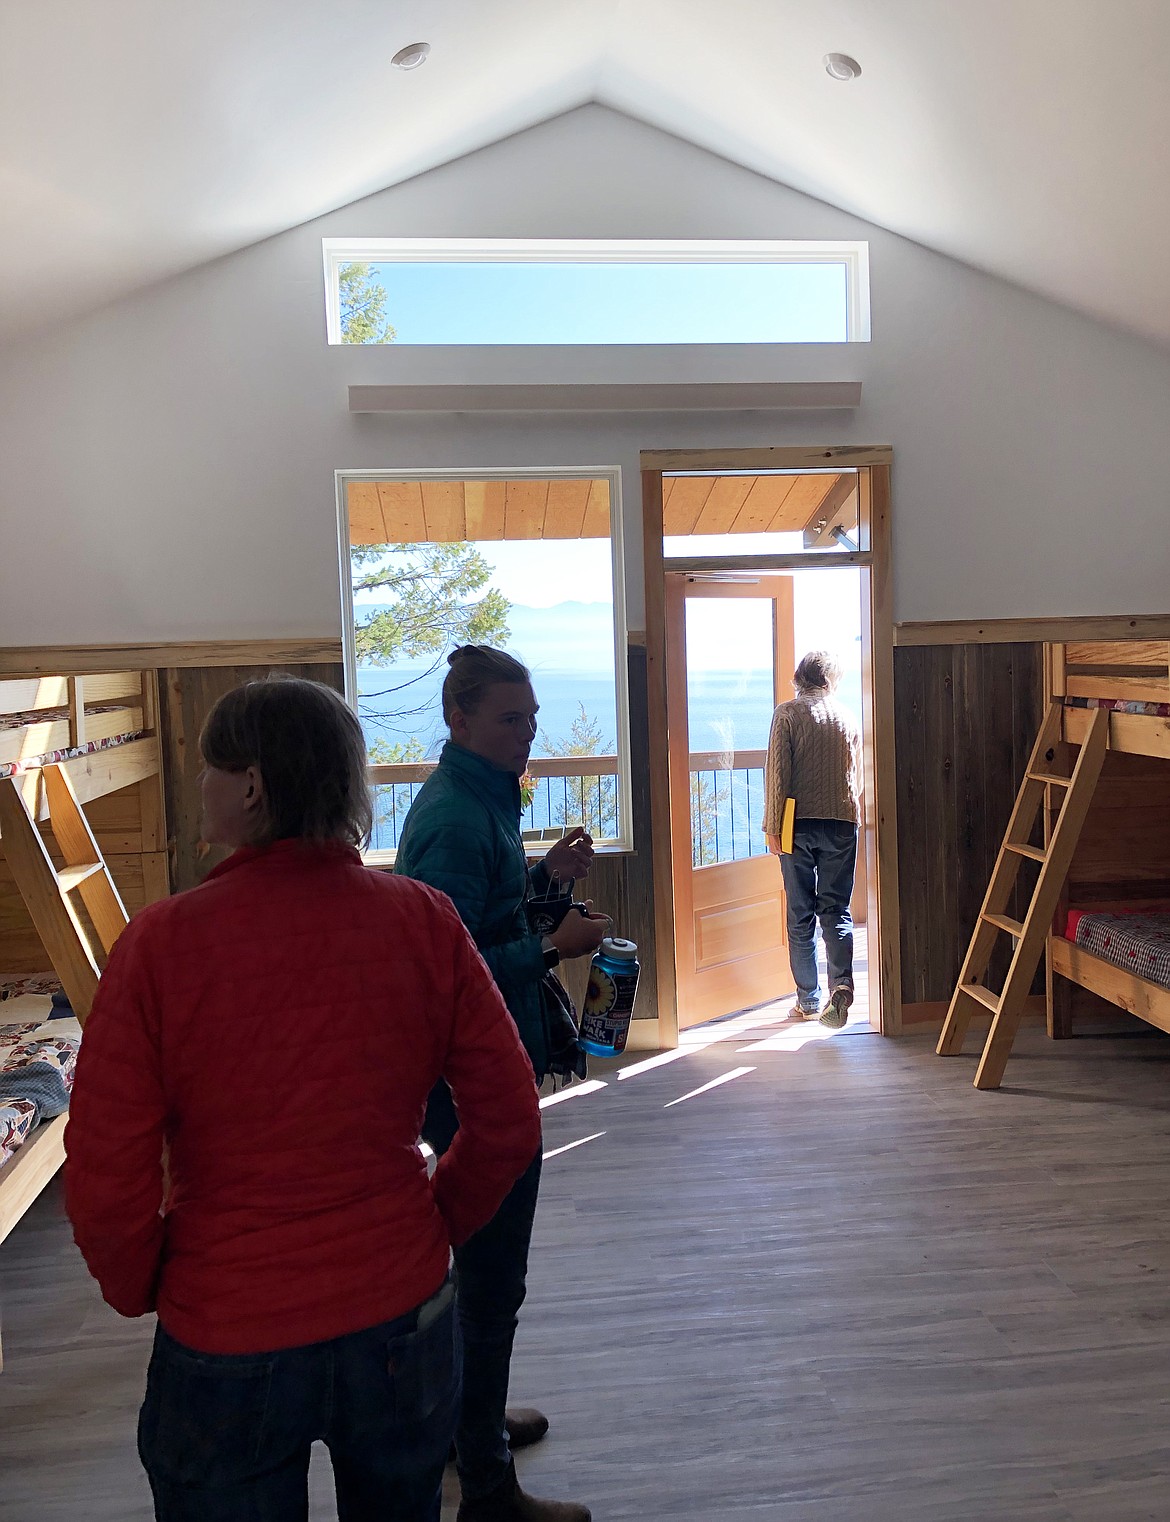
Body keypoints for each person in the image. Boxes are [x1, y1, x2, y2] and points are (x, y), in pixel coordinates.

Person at [64, 676, 542, 1522]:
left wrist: (148, 1284)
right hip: (400, 1309)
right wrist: (428, 1223)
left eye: (209, 769)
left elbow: (107, 1168)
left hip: (225, 1326)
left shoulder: (160, 948)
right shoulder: (423, 921)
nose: (201, 785)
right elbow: (507, 1122)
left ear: (250, 785)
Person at [395, 645, 608, 1522]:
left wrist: (540, 879)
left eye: (530, 718)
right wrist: (550, 948)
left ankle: (462, 1426)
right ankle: (485, 1485)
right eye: (510, 720)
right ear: (459, 719)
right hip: (471, 1082)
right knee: (491, 1280)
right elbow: (435, 971)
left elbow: (472, 912)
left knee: (483, 1272)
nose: (529, 735)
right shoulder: (452, 815)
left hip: (485, 1067)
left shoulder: (477, 799)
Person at [763, 650, 863, 1029]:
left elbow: (778, 773)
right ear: (830, 680)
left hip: (797, 824)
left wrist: (773, 827)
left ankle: (808, 1000)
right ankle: (842, 985)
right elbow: (856, 777)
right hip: (841, 821)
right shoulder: (847, 716)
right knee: (836, 908)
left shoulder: (787, 713)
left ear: (798, 678)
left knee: (800, 914)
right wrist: (855, 817)